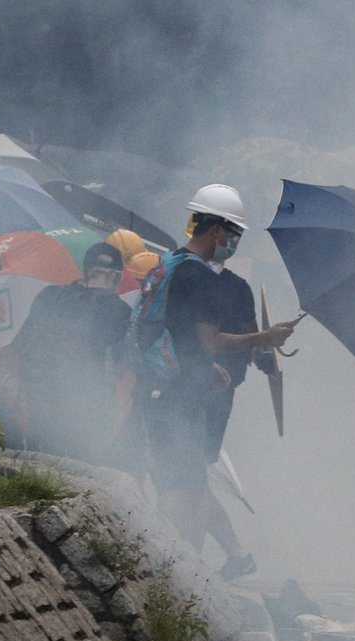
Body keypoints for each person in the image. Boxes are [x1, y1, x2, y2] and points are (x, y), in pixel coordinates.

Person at [130, 183, 294, 552]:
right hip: (183, 395)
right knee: (184, 484)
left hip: (159, 384)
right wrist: (263, 339)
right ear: (216, 229)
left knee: (180, 479)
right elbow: (211, 342)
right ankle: (184, 568)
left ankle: (185, 565)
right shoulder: (201, 277)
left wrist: (232, 357)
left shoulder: (168, 265)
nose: (235, 241)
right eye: (234, 233)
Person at [9, 242, 133, 461]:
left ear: (85, 270)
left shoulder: (49, 295)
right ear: (115, 276)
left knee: (39, 462)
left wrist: (22, 397)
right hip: (84, 407)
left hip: (37, 397)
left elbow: (21, 347)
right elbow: (123, 366)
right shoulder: (118, 310)